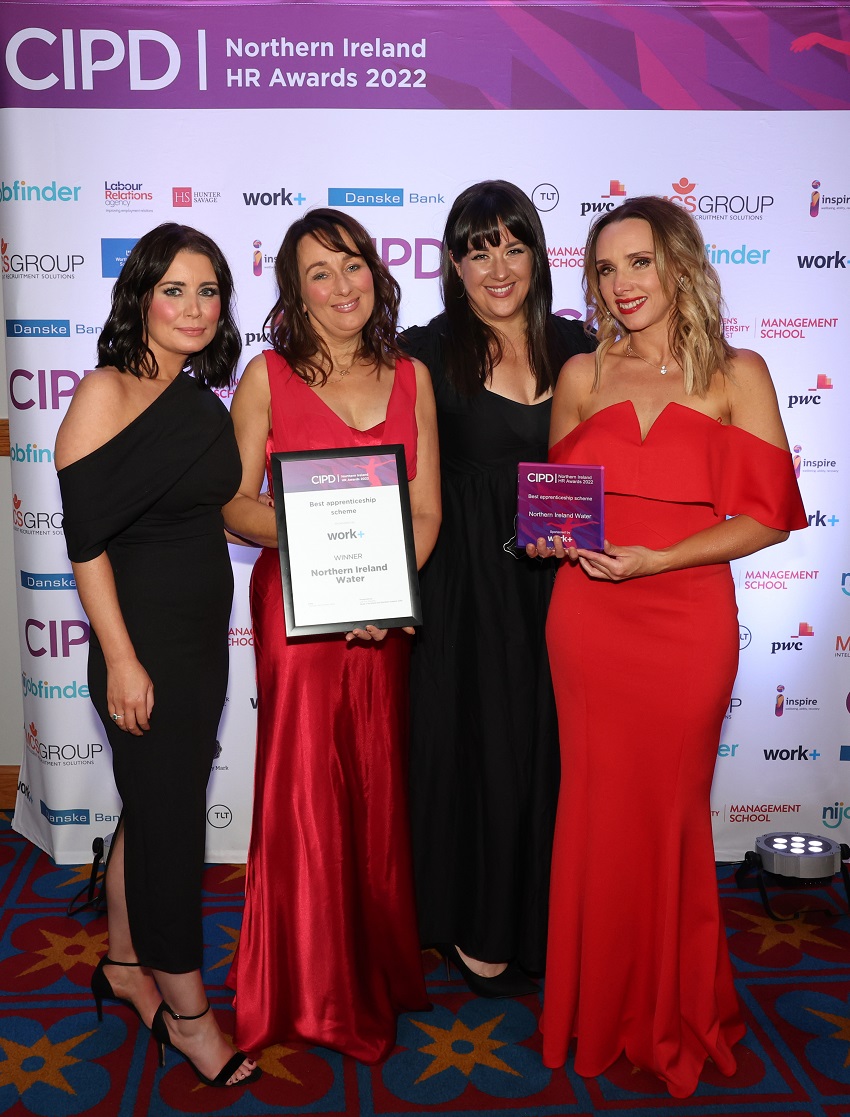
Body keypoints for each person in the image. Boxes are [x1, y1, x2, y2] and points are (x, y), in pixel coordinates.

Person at [531, 196, 807, 1097]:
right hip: (588, 620)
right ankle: (595, 1007)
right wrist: (545, 539)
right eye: (606, 269)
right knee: (596, 811)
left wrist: (663, 557)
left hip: (686, 618)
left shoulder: (738, 371)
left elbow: (769, 518)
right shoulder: (580, 374)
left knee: (671, 815)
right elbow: (552, 515)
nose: (621, 284)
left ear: (678, 263)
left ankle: (671, 1007)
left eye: (638, 262)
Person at [224, 209, 441, 1063]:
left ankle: (372, 970)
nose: (341, 285)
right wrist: (311, 536)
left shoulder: (412, 377)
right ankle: (307, 987)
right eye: (319, 273)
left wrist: (393, 594)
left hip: (385, 611)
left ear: (375, 274)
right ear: (296, 291)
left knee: (374, 787)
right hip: (298, 611)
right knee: (304, 790)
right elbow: (236, 504)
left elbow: (424, 512)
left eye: (351, 265)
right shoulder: (265, 376)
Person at [55, 224, 261, 1088]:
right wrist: (123, 659)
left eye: (209, 291)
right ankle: (188, 1014)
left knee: (154, 801)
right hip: (139, 648)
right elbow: (86, 541)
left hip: (197, 645)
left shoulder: (197, 398)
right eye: (174, 288)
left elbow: (230, 505)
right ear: (139, 293)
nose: (194, 306)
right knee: (175, 829)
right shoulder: (105, 391)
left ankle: (126, 962)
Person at [400, 181, 595, 995]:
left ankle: (545, 920)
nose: (498, 266)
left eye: (513, 245)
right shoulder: (424, 349)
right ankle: (477, 922)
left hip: (561, 581)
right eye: (478, 249)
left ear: (538, 254)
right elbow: (405, 481)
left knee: (553, 749)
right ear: (452, 261)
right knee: (478, 749)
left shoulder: (581, 344)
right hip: (464, 584)